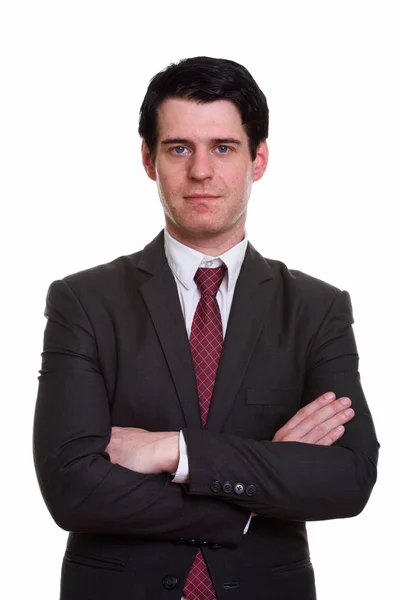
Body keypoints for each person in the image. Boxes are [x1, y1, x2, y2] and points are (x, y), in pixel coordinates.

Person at [33, 56, 379, 600]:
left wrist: (175, 451)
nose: (200, 171)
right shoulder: (84, 301)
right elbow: (72, 489)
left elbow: (348, 480)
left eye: (222, 147)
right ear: (149, 159)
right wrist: (251, 492)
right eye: (179, 148)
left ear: (258, 159)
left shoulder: (317, 308)